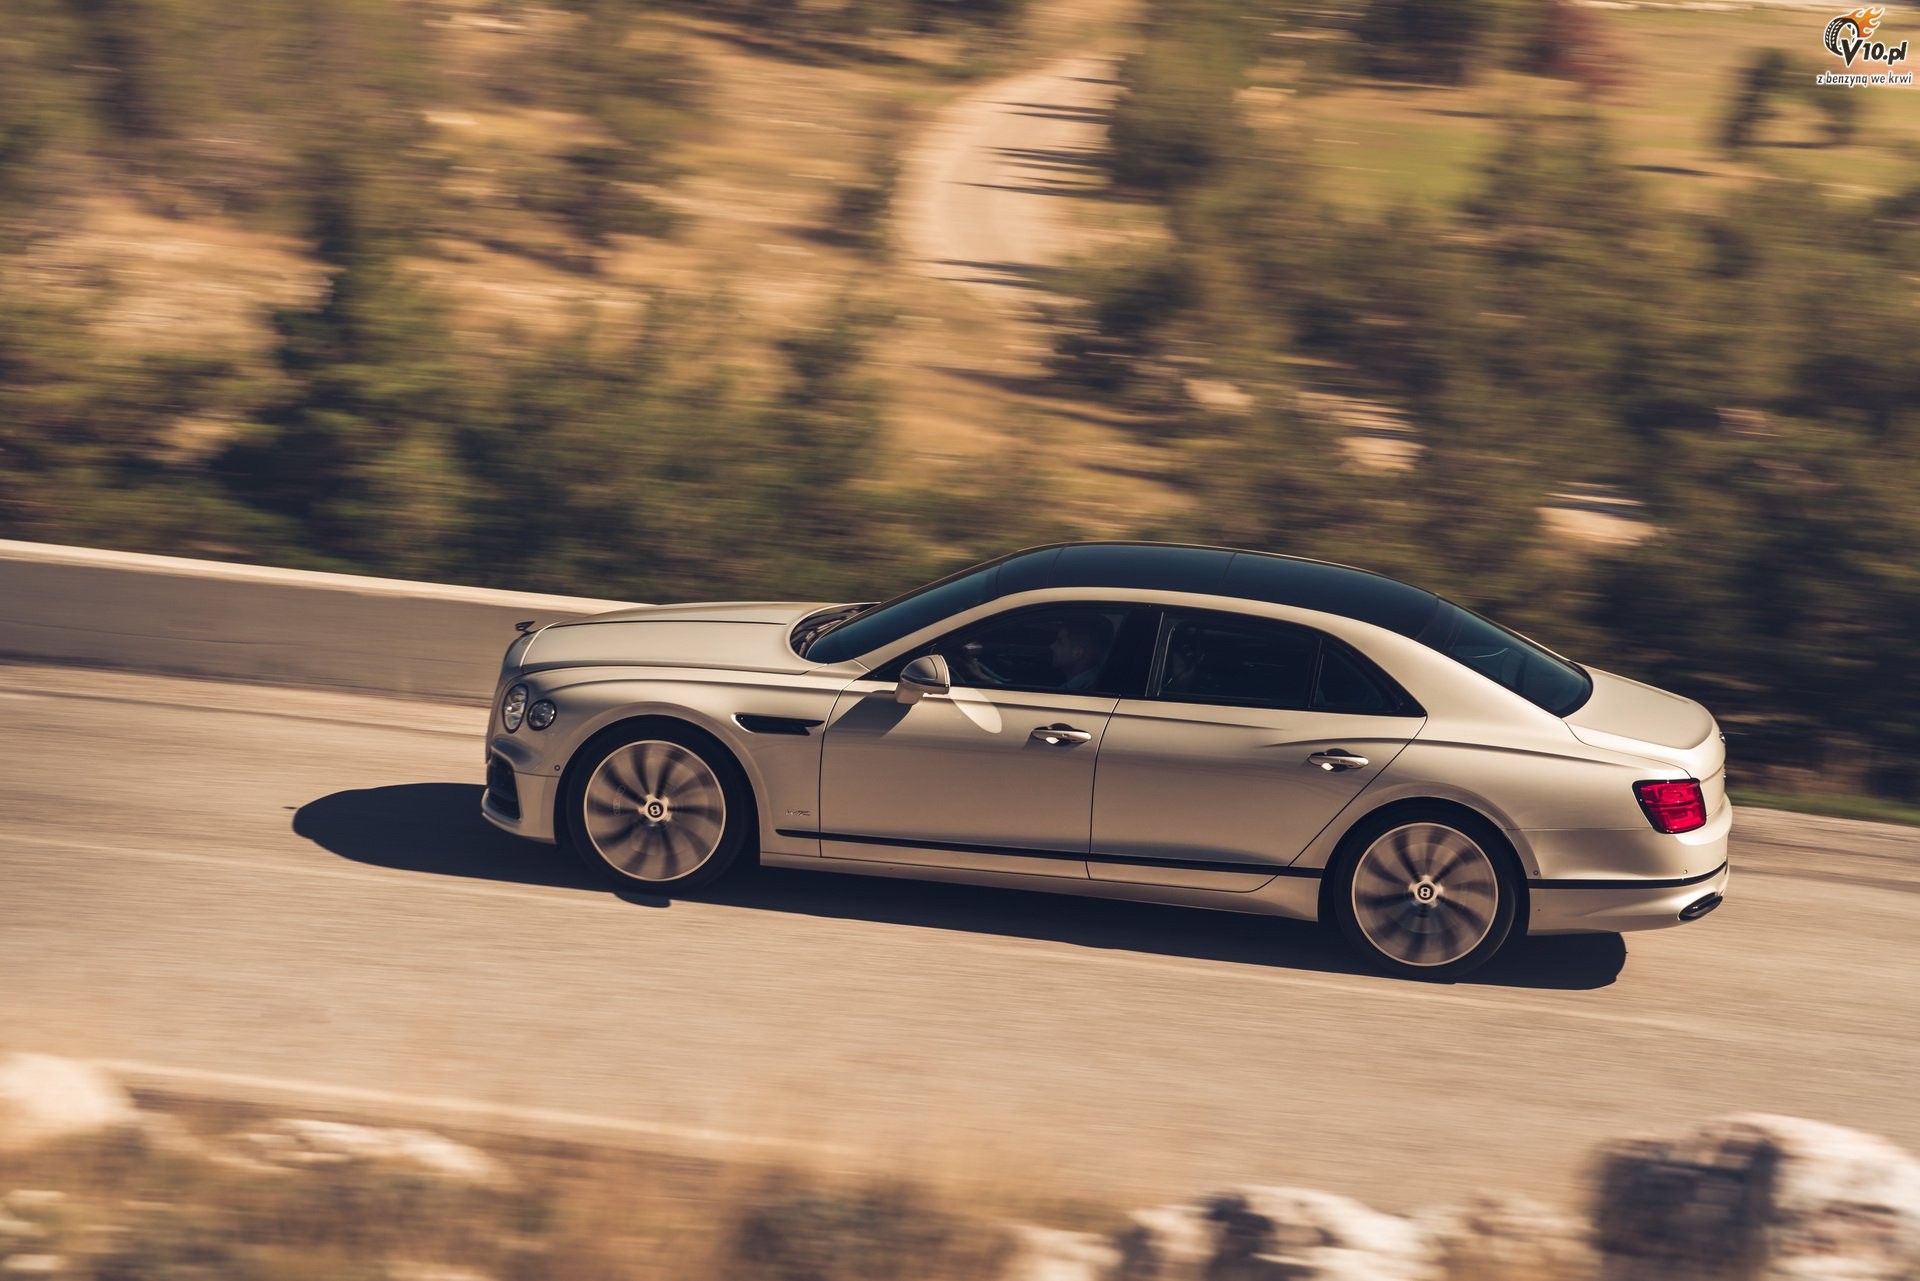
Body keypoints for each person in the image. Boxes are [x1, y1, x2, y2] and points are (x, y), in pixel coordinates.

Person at [1050, 615, 1114, 692]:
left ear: (1078, 652)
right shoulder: (1092, 684)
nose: (1052, 646)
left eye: (1060, 642)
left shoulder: (1086, 691)